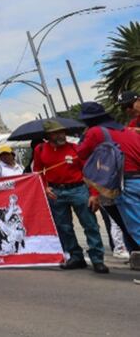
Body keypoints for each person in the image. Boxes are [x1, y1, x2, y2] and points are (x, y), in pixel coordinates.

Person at [33, 119, 107, 274]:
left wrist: (94, 194)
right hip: (56, 192)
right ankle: (75, 256)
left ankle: (97, 259)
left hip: (79, 189)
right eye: (56, 133)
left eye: (62, 131)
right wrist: (45, 188)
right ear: (48, 136)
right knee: (63, 227)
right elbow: (38, 172)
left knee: (90, 224)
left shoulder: (75, 149)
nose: (61, 135)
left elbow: (90, 172)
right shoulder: (40, 150)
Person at [74, 101, 140, 271]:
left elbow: (81, 152)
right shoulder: (126, 130)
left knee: (136, 226)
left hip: (126, 181)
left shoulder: (95, 132)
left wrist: (85, 135)